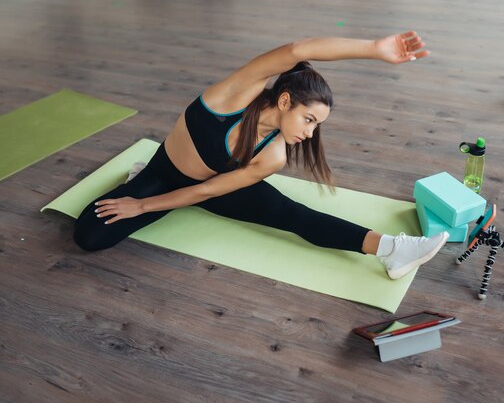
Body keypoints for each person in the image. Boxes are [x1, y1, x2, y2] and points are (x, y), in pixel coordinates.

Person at [73, 31, 449, 280]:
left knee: (290, 214)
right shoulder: (233, 96)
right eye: (308, 119)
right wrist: (372, 50)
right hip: (166, 170)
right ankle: (140, 179)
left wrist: (145, 206)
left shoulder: (273, 156)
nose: (310, 132)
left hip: (210, 187)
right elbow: (297, 51)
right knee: (88, 235)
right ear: (285, 101)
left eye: (317, 125)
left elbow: (205, 192)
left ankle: (393, 248)